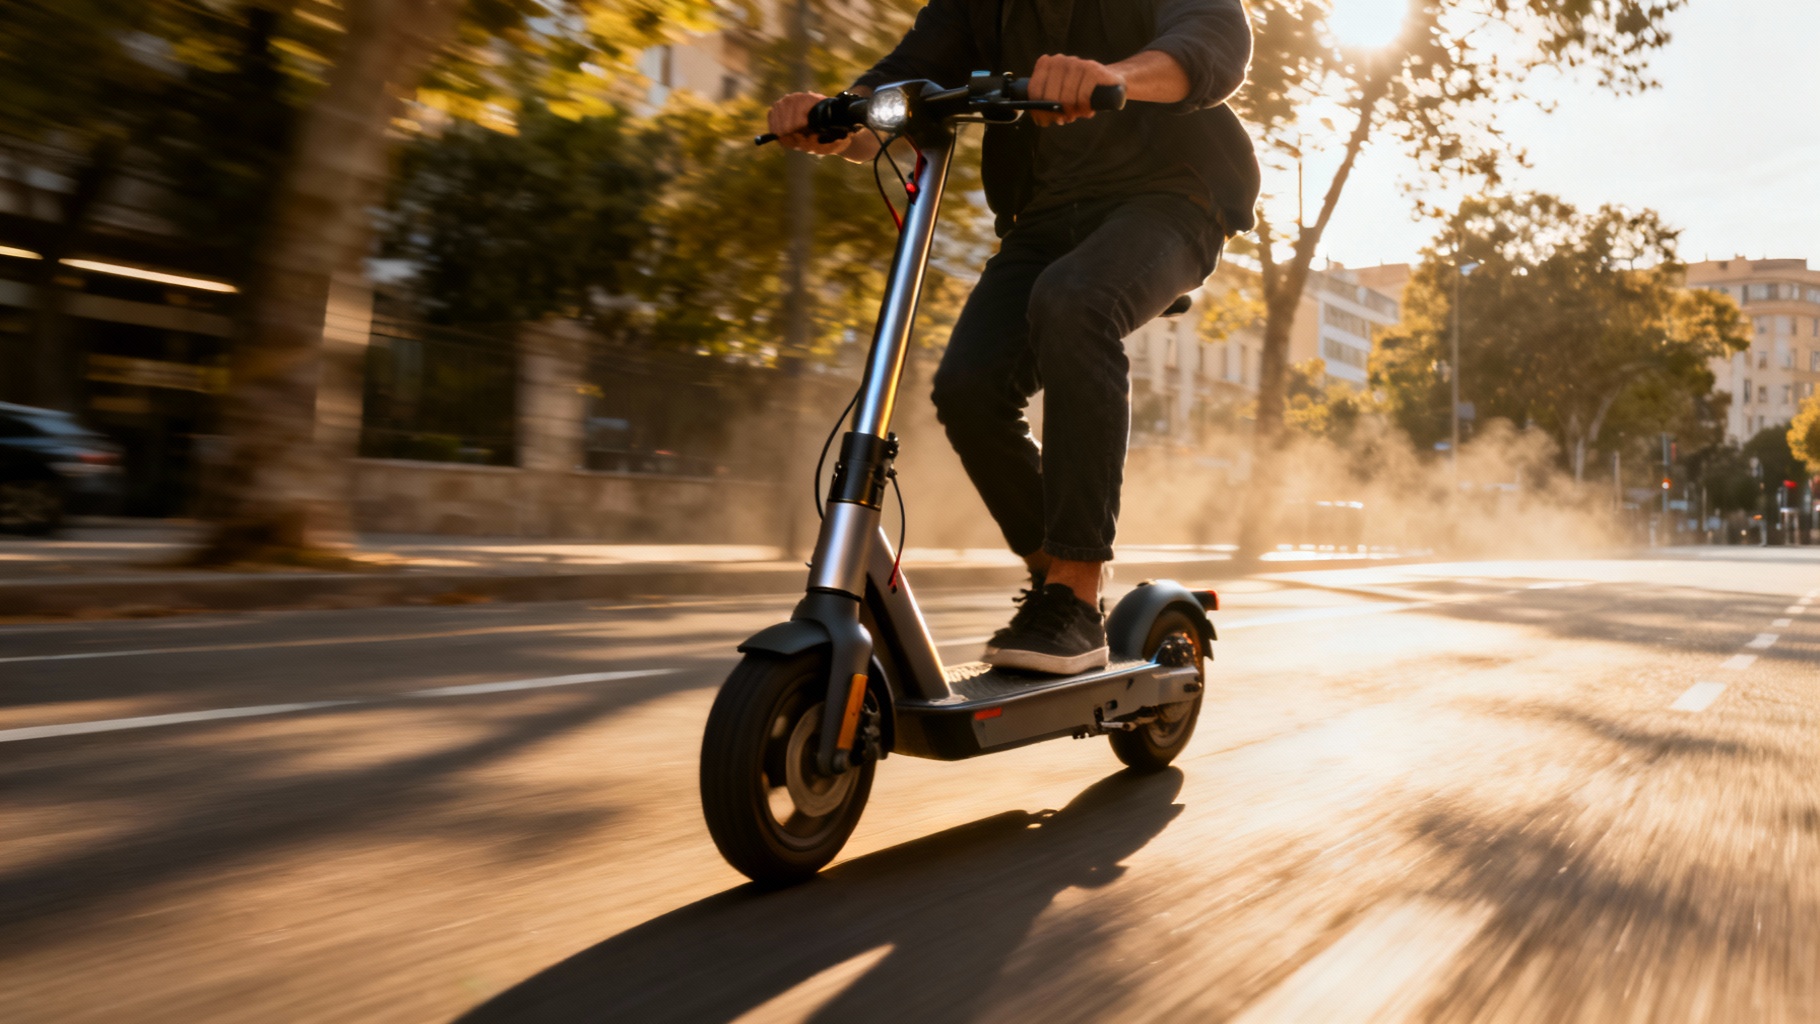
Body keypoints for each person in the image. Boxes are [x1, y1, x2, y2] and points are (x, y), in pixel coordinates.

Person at [767, 0, 1257, 674]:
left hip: (1172, 200)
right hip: (1045, 216)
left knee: (1076, 300)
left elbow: (1215, 43)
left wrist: (1111, 74)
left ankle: (1078, 594)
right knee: (968, 388)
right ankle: (1052, 578)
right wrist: (833, 116)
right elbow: (900, 82)